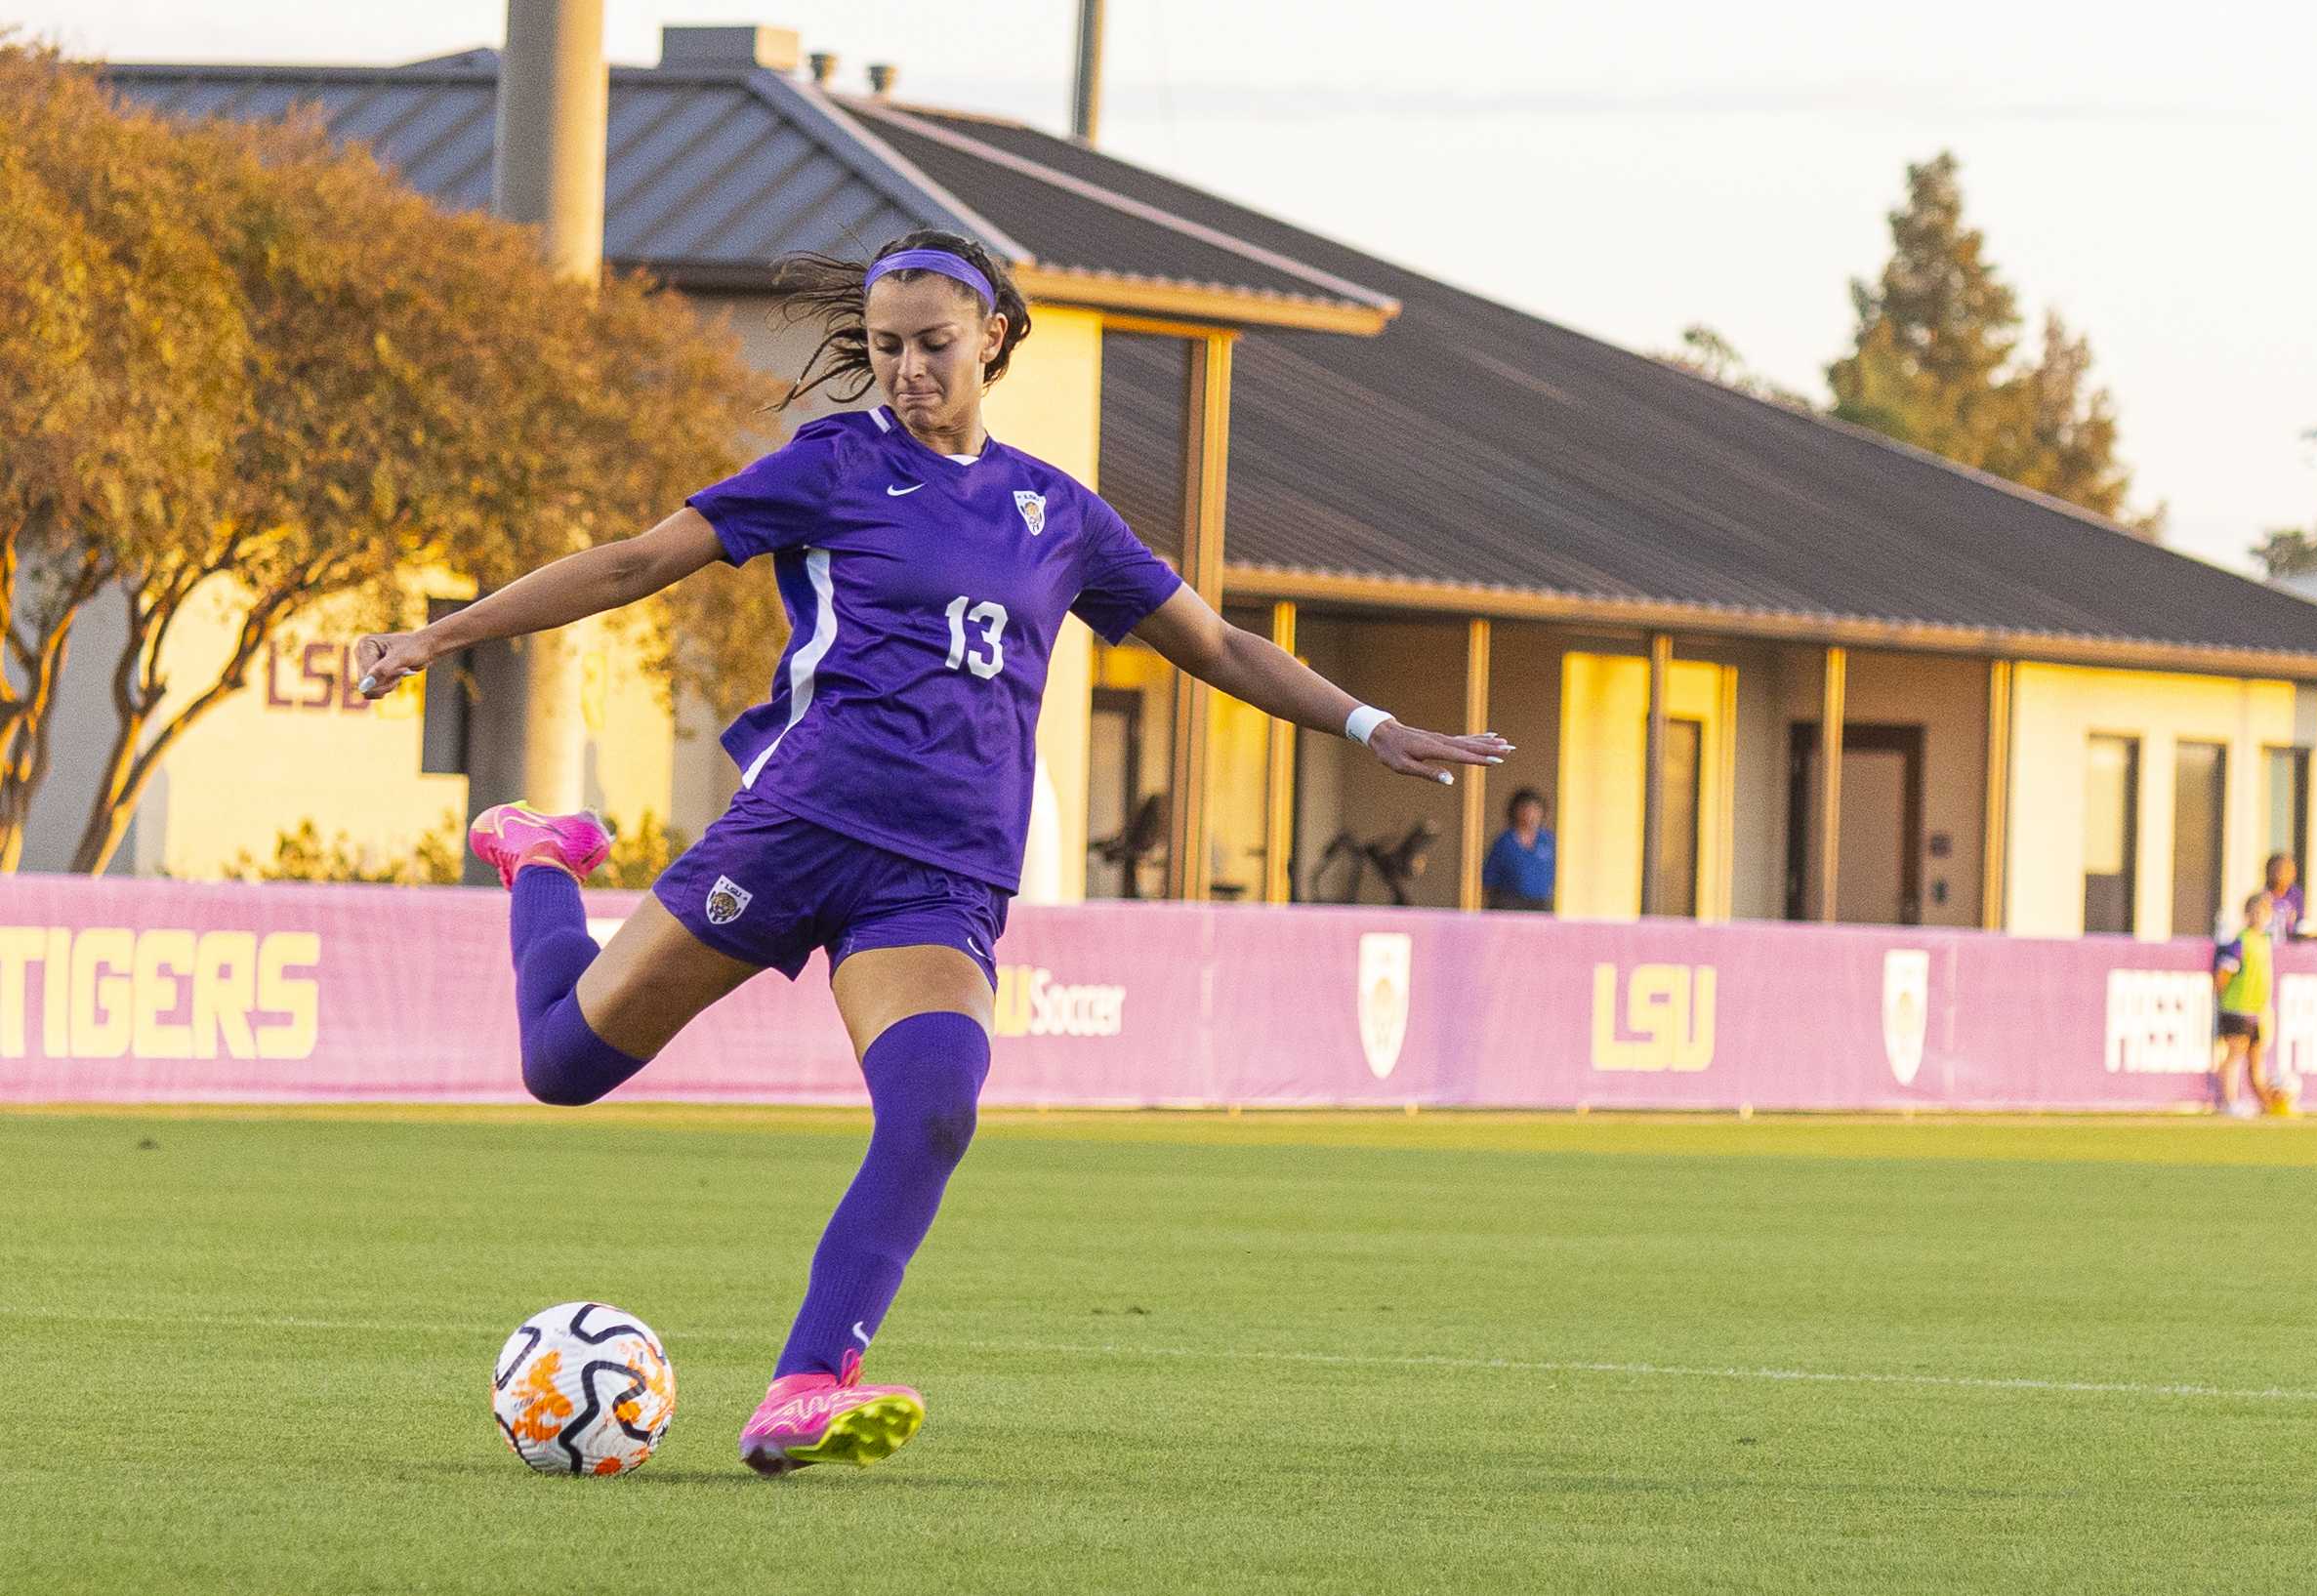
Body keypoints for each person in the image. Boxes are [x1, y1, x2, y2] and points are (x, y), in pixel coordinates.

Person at [350, 231, 1510, 1478]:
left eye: (931, 346)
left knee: (936, 1105)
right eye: (888, 346)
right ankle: (538, 860)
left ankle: (805, 1383)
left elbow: (1216, 646)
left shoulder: (1057, 514)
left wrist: (1371, 723)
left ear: (994, 338)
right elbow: (638, 560)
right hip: (798, 831)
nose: (905, 369)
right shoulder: (831, 467)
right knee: (560, 1067)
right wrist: (443, 633)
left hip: (940, 876)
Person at [2214, 891, 2276, 1117]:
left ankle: (2267, 1104)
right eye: (2255, 912)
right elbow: (2224, 972)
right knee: (2235, 1054)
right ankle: (2229, 1101)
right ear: (2247, 914)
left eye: (2264, 912)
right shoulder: (2241, 941)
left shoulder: (2265, 941)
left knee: (2256, 1060)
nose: (2259, 916)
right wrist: (2221, 996)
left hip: (2257, 1011)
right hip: (2237, 1007)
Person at [1481, 787, 1555, 912]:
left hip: (1540, 904)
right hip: (1508, 903)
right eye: (1525, 808)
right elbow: (1489, 878)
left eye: (1534, 809)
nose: (1530, 814)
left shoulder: (1547, 840)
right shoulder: (1504, 841)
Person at [2262, 852, 2317, 947]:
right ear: (2268, 872)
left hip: (2291, 942)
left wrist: (2314, 937)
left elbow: (2300, 925)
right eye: (2277, 869)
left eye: (2287, 869)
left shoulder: (2296, 894)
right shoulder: (2262, 897)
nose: (2281, 873)